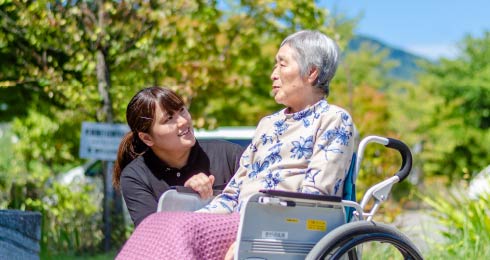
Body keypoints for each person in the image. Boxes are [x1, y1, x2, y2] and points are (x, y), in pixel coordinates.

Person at [116, 30, 358, 260]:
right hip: (240, 220)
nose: (273, 73)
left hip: (279, 227)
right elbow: (234, 192)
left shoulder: (334, 120)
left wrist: (247, 238)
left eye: (282, 64)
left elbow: (314, 200)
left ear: (312, 72)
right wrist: (197, 219)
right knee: (161, 224)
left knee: (179, 231)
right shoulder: (268, 124)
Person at [113, 86, 245, 226]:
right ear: (147, 138)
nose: (183, 121)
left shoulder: (229, 154)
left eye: (182, 110)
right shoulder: (135, 176)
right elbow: (152, 236)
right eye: (169, 118)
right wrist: (185, 199)